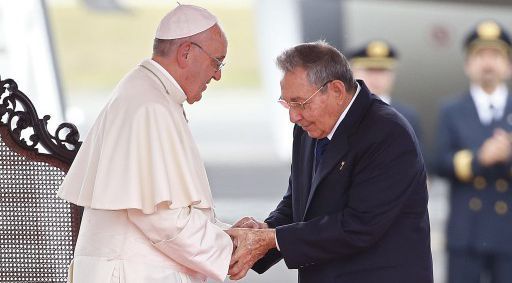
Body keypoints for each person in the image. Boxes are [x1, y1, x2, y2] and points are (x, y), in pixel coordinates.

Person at [227, 41, 433, 282]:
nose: (294, 116)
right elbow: (298, 203)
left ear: (336, 90)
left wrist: (273, 239)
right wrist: (263, 231)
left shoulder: (387, 133)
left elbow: (359, 226)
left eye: (300, 103)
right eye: (287, 103)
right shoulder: (308, 128)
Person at [58, 4, 232, 283]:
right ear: (186, 52)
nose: (217, 74)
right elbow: (160, 217)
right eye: (217, 61)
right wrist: (231, 249)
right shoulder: (148, 104)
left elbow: (166, 204)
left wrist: (227, 233)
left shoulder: (150, 93)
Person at [434, 20, 512, 283]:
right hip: (467, 232)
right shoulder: (451, 110)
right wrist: (479, 159)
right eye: (480, 55)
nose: (488, 63)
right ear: (468, 65)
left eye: (496, 55)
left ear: (509, 66)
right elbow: (439, 161)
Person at [349, 40, 423, 143]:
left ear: (393, 75)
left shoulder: (408, 116)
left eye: (382, 71)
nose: (375, 77)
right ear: (352, 72)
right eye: (369, 70)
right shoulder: (339, 113)